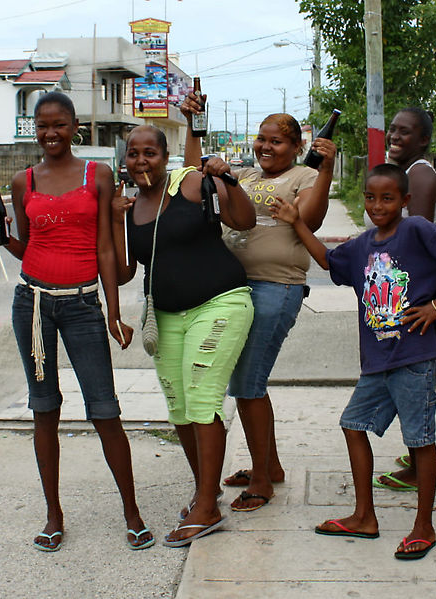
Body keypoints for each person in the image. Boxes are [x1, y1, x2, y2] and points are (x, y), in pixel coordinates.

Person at [271, 163, 436, 559]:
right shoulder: (364, 244)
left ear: (404, 201)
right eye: (371, 197)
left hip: (415, 355)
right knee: (353, 425)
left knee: (419, 439)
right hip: (378, 360)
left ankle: (424, 526)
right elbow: (329, 262)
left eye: (388, 198)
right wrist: (297, 223)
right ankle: (364, 515)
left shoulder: (417, 230)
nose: (377, 205)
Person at [0, 91, 152, 552]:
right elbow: (27, 246)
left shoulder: (97, 175)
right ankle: (54, 515)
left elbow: (103, 251)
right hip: (32, 306)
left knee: (105, 410)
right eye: (42, 126)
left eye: (59, 125)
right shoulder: (23, 182)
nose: (50, 134)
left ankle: (132, 513)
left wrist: (114, 313)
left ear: (76, 126)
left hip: (82, 306)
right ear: (33, 129)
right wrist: (2, 241)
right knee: (45, 408)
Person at [180, 93, 337, 512]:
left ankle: (263, 480)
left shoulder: (305, 176)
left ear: (297, 147)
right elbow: (194, 181)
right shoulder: (246, 176)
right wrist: (193, 123)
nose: (266, 147)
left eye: (278, 142)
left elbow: (315, 218)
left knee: (248, 387)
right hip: (234, 291)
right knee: (244, 385)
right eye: (261, 139)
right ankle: (272, 465)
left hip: (275, 288)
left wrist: (328, 170)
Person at [111, 125, 256, 546]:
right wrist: (109, 219)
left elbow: (244, 221)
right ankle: (203, 493)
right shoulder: (132, 208)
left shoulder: (192, 184)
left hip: (220, 302)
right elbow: (124, 272)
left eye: (150, 152)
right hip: (167, 316)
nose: (141, 161)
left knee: (202, 395)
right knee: (178, 405)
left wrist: (228, 177)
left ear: (166, 154)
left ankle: (208, 506)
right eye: (133, 154)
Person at [365, 107, 436, 487]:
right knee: (405, 384)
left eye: (405, 133)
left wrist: (423, 304)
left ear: (423, 140)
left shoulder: (422, 176)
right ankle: (416, 455)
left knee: (412, 386)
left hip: (412, 304)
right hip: (398, 300)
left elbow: (415, 243)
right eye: (393, 130)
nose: (395, 137)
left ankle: (419, 466)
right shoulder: (406, 174)